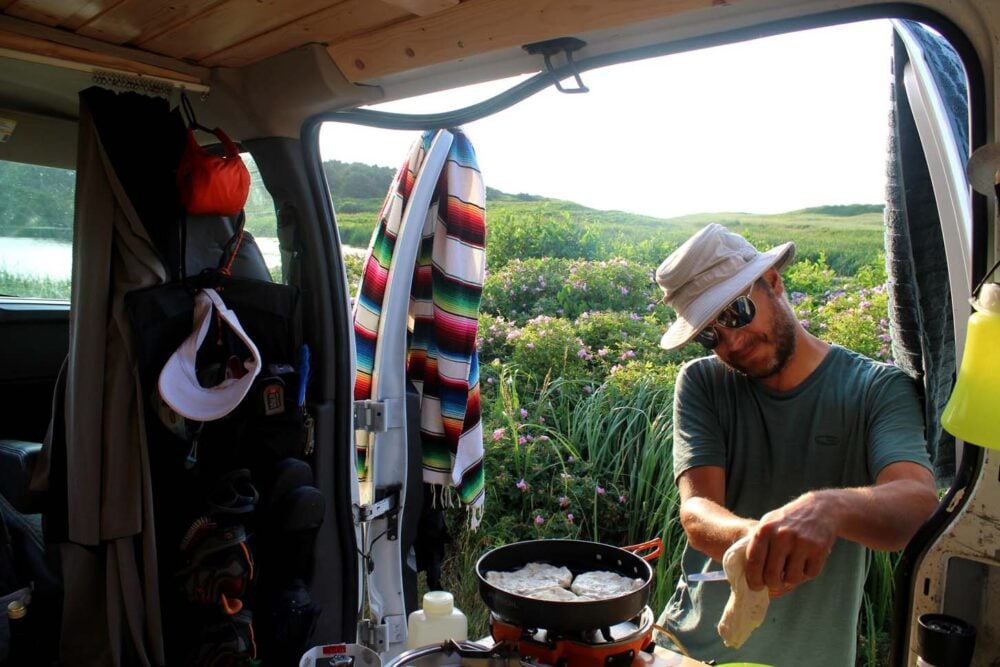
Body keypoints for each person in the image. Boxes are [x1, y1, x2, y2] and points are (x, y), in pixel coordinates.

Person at [654, 224, 939, 665]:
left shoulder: (876, 389)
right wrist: (759, 541)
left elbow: (917, 502)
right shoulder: (702, 382)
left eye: (735, 312)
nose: (731, 342)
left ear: (773, 282)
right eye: (710, 334)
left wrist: (827, 509)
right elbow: (697, 512)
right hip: (687, 649)